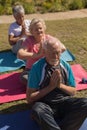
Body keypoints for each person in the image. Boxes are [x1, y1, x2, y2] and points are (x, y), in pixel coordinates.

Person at [26, 38, 87, 130]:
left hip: (64, 103)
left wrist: (60, 85)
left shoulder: (65, 66)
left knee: (85, 103)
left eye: (58, 53)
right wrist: (51, 87)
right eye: (52, 53)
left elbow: (73, 92)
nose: (55, 56)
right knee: (37, 110)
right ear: (45, 52)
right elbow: (30, 98)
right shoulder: (37, 68)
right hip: (45, 105)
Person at [17, 18, 66, 85]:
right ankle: (45, 82)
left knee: (59, 73)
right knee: (24, 78)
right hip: (31, 69)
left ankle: (42, 82)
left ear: (44, 29)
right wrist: (37, 55)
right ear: (32, 31)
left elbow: (63, 48)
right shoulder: (29, 40)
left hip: (48, 68)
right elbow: (20, 54)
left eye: (40, 28)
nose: (39, 31)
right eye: (36, 29)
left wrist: (48, 52)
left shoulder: (48, 39)